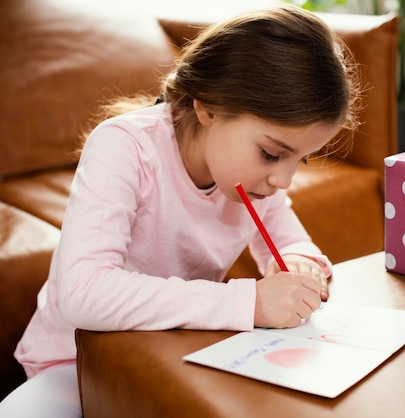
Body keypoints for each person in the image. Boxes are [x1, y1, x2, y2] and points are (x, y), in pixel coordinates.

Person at [0, 5, 361, 417]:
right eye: (272, 153)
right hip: (79, 363)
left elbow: (290, 238)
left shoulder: (252, 179)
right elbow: (83, 294)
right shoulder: (125, 147)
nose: (284, 180)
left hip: (179, 354)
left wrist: (302, 263)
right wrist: (250, 303)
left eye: (302, 160)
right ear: (207, 108)